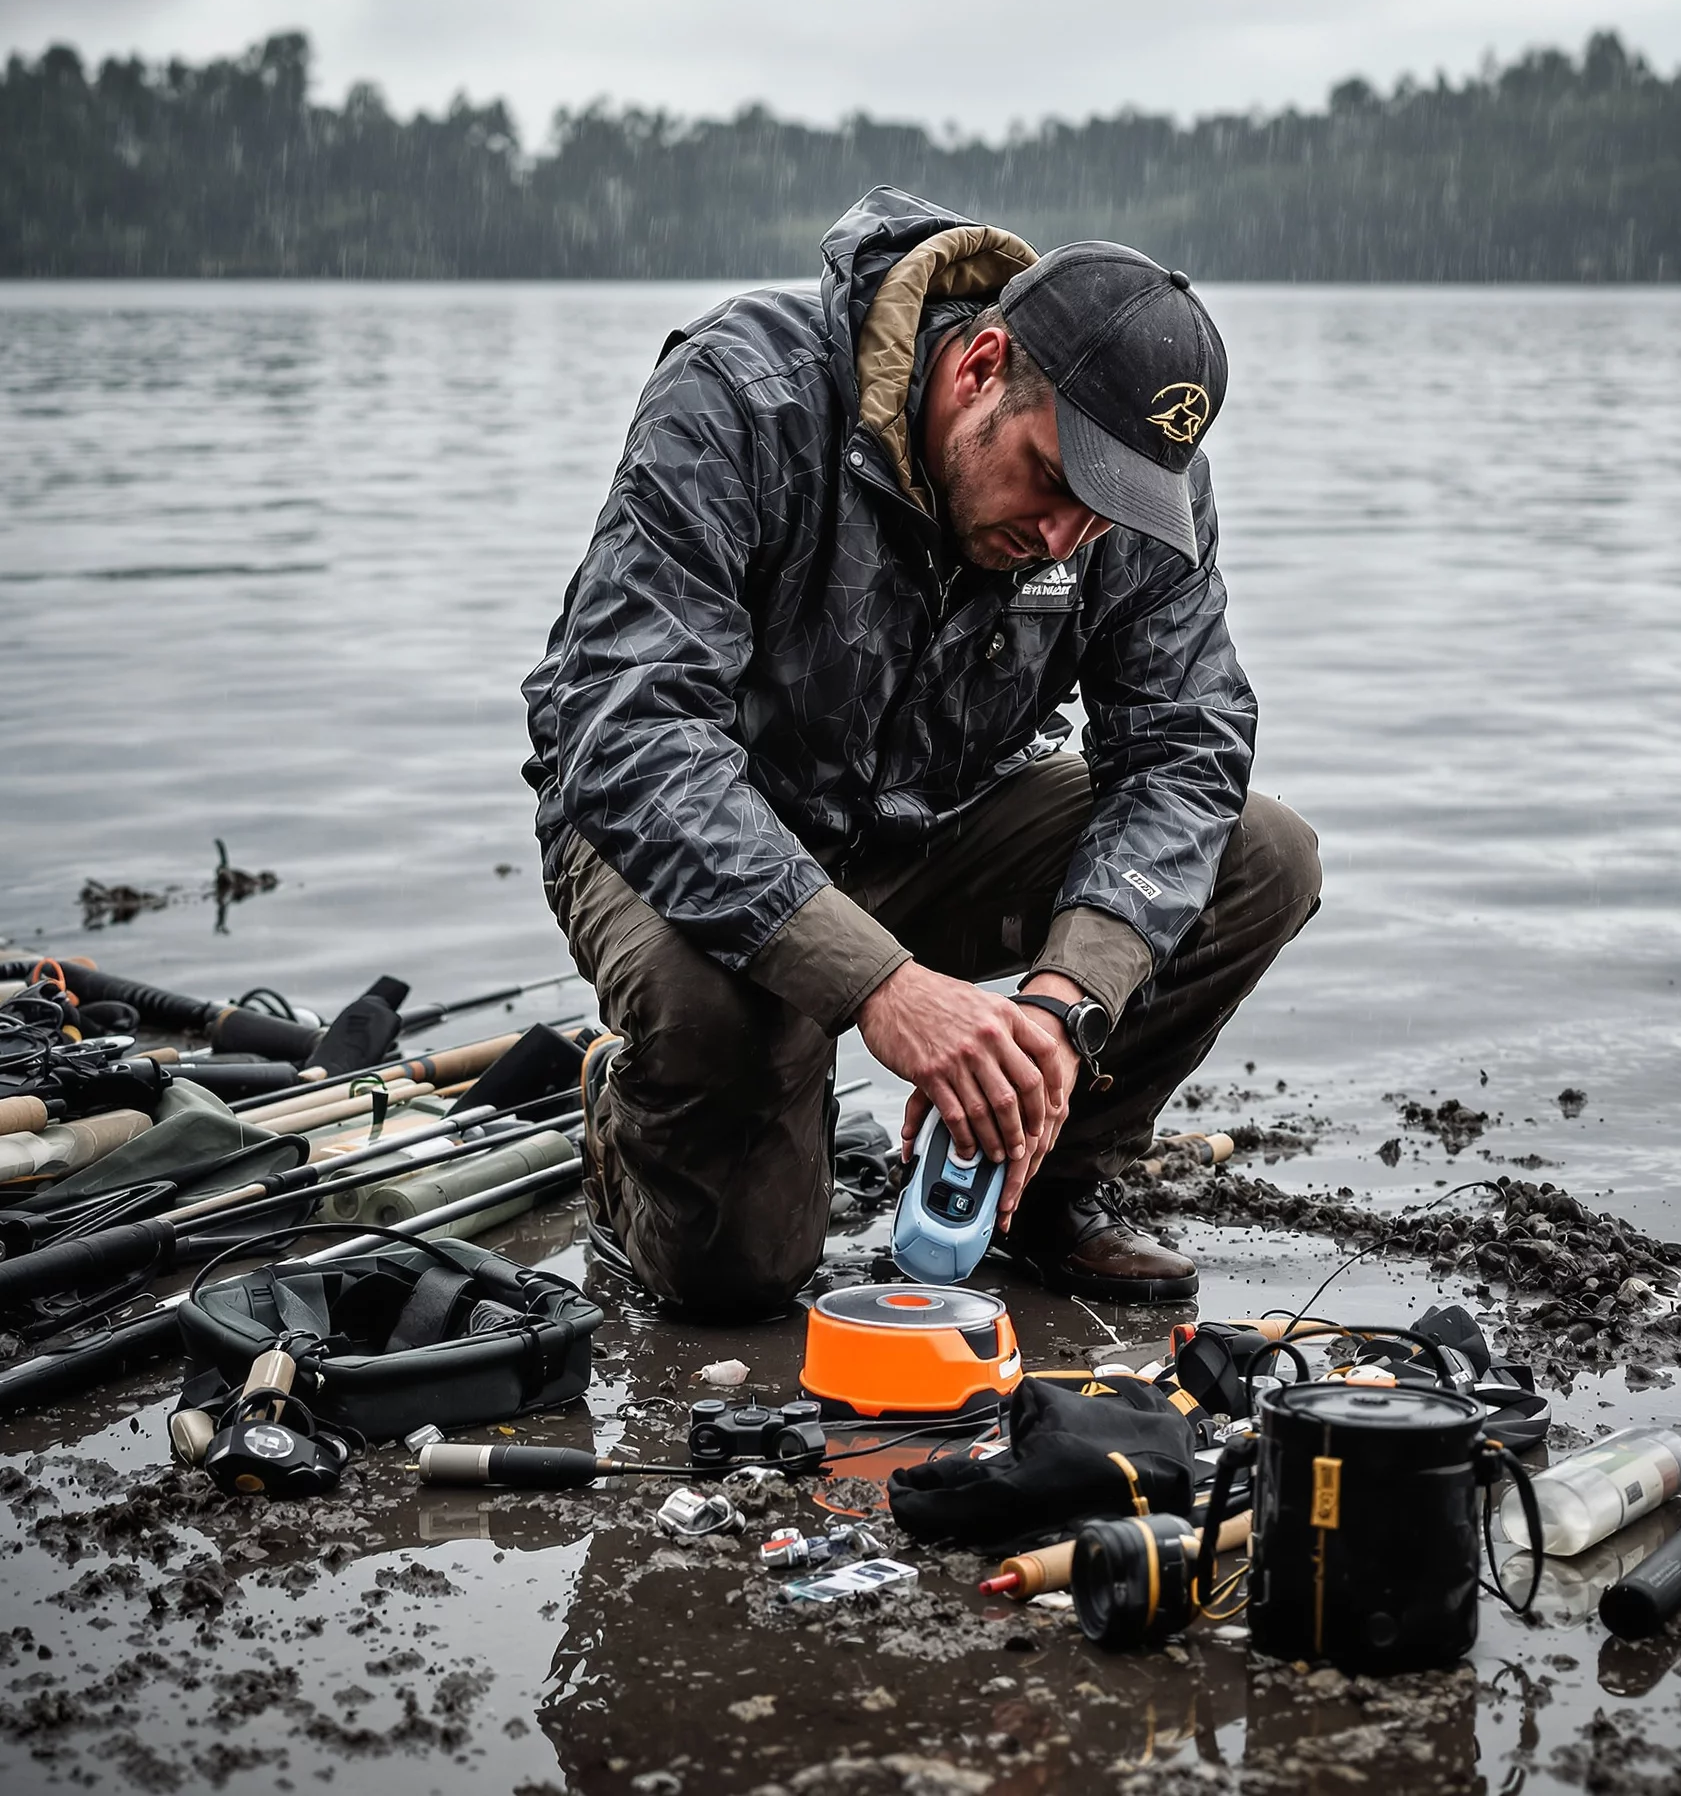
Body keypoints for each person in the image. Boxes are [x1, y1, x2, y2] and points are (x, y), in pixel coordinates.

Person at [522, 188, 1320, 1319]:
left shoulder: (1132, 492)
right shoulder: (741, 394)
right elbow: (631, 730)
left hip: (930, 825)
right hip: (675, 829)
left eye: (1107, 512)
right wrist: (880, 986)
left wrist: (1058, 1008)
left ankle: (1045, 1182)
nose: (1064, 537)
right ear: (980, 363)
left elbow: (1185, 747)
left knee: (1262, 855)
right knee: (736, 1278)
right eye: (1053, 481)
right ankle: (627, 1121)